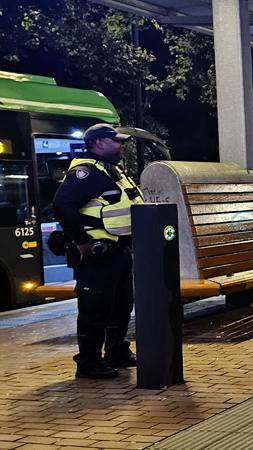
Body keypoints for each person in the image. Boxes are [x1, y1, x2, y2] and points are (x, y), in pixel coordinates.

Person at [52, 123, 143, 379]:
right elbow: (62, 206)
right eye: (116, 141)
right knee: (95, 309)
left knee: (121, 306)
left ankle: (116, 351)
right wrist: (82, 241)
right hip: (97, 254)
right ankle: (89, 362)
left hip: (119, 251)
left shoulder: (110, 171)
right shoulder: (85, 173)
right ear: (99, 143)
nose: (121, 145)